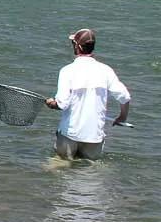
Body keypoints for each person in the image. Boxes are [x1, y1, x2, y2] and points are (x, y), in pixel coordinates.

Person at [44, 28, 130, 160]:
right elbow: (124, 97)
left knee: (60, 166)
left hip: (70, 134)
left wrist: (51, 103)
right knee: (89, 174)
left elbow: (62, 104)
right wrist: (122, 117)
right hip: (94, 137)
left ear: (77, 47)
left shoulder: (67, 71)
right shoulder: (105, 70)